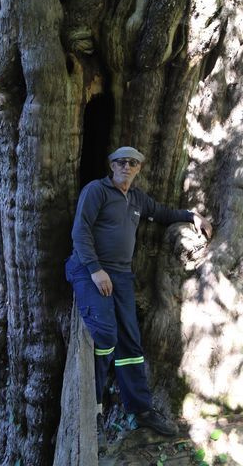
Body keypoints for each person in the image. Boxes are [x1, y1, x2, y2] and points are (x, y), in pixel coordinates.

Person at [65, 146, 212, 450]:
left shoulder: (136, 199)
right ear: (111, 165)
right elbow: (80, 232)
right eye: (121, 162)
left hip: (120, 275)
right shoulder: (97, 191)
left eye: (133, 163)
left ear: (139, 168)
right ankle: (91, 407)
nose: (126, 167)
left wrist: (191, 216)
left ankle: (140, 410)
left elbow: (161, 213)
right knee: (105, 335)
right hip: (88, 269)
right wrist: (95, 270)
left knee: (130, 341)